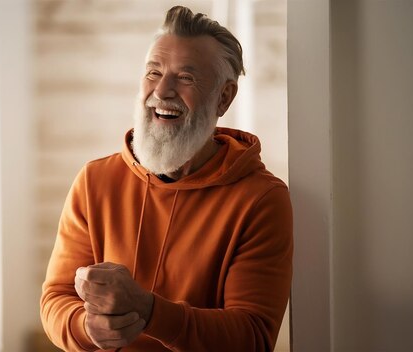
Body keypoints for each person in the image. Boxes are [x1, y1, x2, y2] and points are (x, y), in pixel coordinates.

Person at [40, 5, 293, 351]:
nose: (162, 91)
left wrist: (149, 310)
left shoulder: (262, 199)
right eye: (153, 73)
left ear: (224, 97)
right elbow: (56, 298)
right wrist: (86, 327)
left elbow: (252, 337)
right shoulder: (94, 181)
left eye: (186, 78)